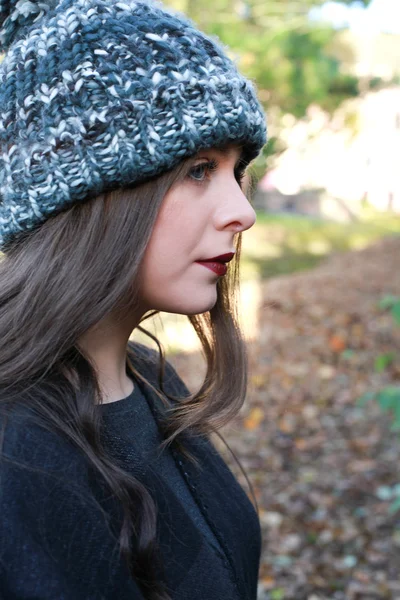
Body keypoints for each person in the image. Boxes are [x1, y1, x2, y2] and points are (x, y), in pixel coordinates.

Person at [0, 0, 267, 598]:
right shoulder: (16, 455)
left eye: (236, 170)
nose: (242, 213)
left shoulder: (149, 381)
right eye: (199, 169)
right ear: (90, 198)